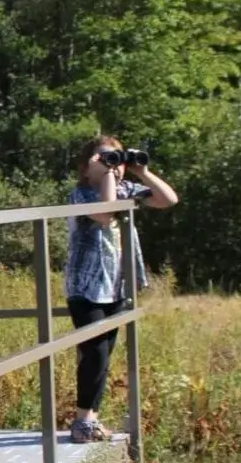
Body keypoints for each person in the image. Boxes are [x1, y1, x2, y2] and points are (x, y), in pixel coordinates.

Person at [64, 135, 178, 442]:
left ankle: (90, 419)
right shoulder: (81, 194)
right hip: (85, 285)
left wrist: (142, 171)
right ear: (86, 168)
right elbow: (105, 213)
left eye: (117, 159)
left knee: (105, 352)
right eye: (105, 159)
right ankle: (83, 420)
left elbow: (168, 200)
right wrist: (104, 177)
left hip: (116, 284)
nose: (113, 166)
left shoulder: (126, 187)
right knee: (95, 352)